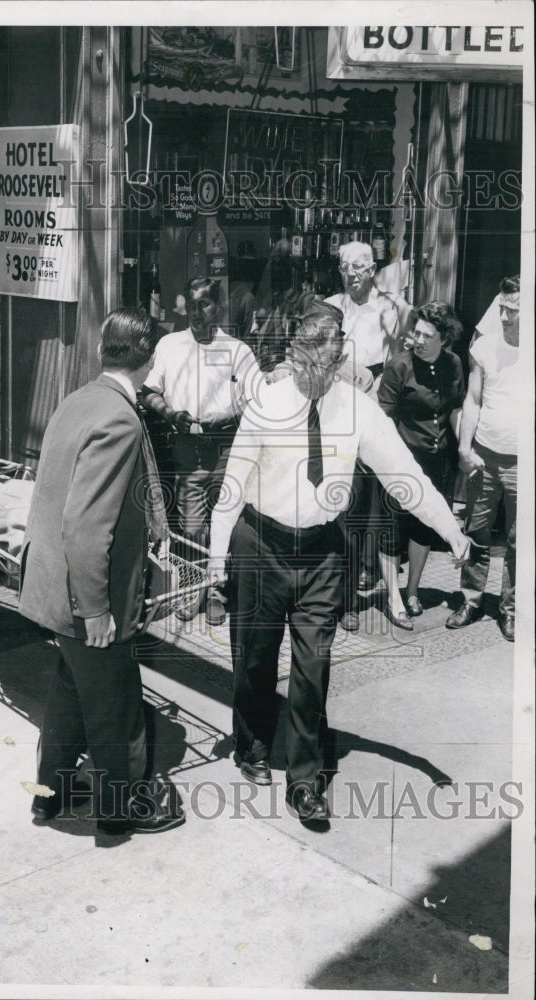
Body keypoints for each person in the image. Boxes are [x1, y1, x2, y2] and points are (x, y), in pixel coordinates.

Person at [208, 302, 470, 825]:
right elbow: (232, 487)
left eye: (324, 365)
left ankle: (304, 783)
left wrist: (452, 531)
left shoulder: (358, 410)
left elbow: (407, 478)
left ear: (338, 360)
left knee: (313, 668)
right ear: (294, 356)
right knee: (256, 660)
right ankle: (253, 744)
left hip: (323, 553)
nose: (312, 376)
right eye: (304, 363)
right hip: (259, 544)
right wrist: (218, 563)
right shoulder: (266, 404)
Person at [17, 308, 185, 836]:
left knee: (70, 695)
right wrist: (95, 609)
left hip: (51, 590)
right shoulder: (119, 419)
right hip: (88, 597)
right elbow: (87, 526)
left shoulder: (79, 399)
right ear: (150, 362)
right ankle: (120, 811)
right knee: (116, 705)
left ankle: (50, 796)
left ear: (99, 352)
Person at [141, 275, 258, 626]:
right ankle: (194, 589)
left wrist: (228, 415)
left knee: (225, 521)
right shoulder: (169, 345)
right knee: (192, 525)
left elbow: (257, 401)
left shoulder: (238, 351)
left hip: (226, 446)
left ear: (218, 307)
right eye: (191, 305)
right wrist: (169, 413)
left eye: (204, 304)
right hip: (185, 447)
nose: (196, 312)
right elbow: (148, 392)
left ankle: (219, 593)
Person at [325, 241, 411, 628]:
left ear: (373, 268)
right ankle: (344, 598)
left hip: (378, 410)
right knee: (346, 503)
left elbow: (399, 364)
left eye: (358, 266)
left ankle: (392, 593)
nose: (351, 273)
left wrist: (378, 394)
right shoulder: (331, 306)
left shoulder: (392, 310)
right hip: (339, 412)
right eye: (345, 266)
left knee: (386, 505)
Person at [376, 302, 466, 628]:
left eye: (428, 335)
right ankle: (393, 597)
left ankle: (411, 590)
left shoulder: (454, 365)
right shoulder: (398, 367)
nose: (419, 340)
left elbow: (455, 407)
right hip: (400, 460)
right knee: (392, 529)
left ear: (445, 338)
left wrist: (466, 448)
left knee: (424, 529)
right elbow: (381, 418)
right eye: (417, 333)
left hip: (437, 460)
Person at [446, 275, 519, 642]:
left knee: (519, 538)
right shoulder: (484, 348)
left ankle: (511, 610)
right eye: (501, 307)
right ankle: (471, 601)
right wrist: (464, 447)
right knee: (476, 532)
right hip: (485, 457)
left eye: (512, 310)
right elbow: (471, 401)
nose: (503, 316)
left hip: (524, 464)